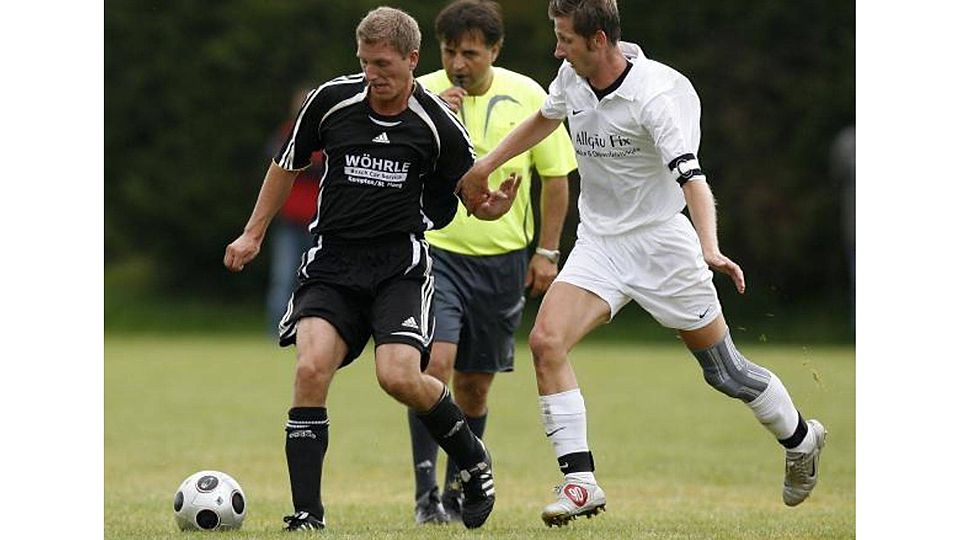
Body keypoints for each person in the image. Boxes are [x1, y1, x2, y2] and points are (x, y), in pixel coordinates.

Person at [458, 0, 828, 527]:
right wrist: (484, 167)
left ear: (599, 41)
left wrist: (709, 245)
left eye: (565, 38)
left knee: (725, 373)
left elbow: (692, 178)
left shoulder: (654, 96)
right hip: (600, 244)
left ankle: (801, 438)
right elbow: (544, 118)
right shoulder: (572, 75)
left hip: (663, 244)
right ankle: (580, 482)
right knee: (545, 341)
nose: (556, 49)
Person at [224, 6, 520, 531]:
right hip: (332, 264)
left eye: (383, 64)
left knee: (399, 376)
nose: (372, 74)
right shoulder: (331, 102)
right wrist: (253, 232)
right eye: (365, 62)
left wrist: (489, 205)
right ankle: (307, 515)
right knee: (310, 368)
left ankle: (472, 456)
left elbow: (469, 189)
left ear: (411, 59)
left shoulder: (436, 121)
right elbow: (285, 164)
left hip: (397, 269)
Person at [406, 0, 577, 525]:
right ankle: (425, 495)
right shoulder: (421, 96)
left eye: (471, 54)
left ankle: (462, 485)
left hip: (502, 263)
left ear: (495, 51)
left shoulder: (529, 96)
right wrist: (438, 124)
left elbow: (556, 178)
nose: (459, 64)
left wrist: (547, 252)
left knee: (475, 383)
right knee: (433, 365)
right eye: (451, 52)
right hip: (437, 252)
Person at [265, 88, 322, 334]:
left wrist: (302, 164)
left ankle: (310, 330)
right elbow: (279, 163)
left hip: (318, 222)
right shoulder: (286, 133)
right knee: (283, 277)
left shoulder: (327, 134)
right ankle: (276, 331)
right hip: (289, 220)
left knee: (314, 279)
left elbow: (308, 166)